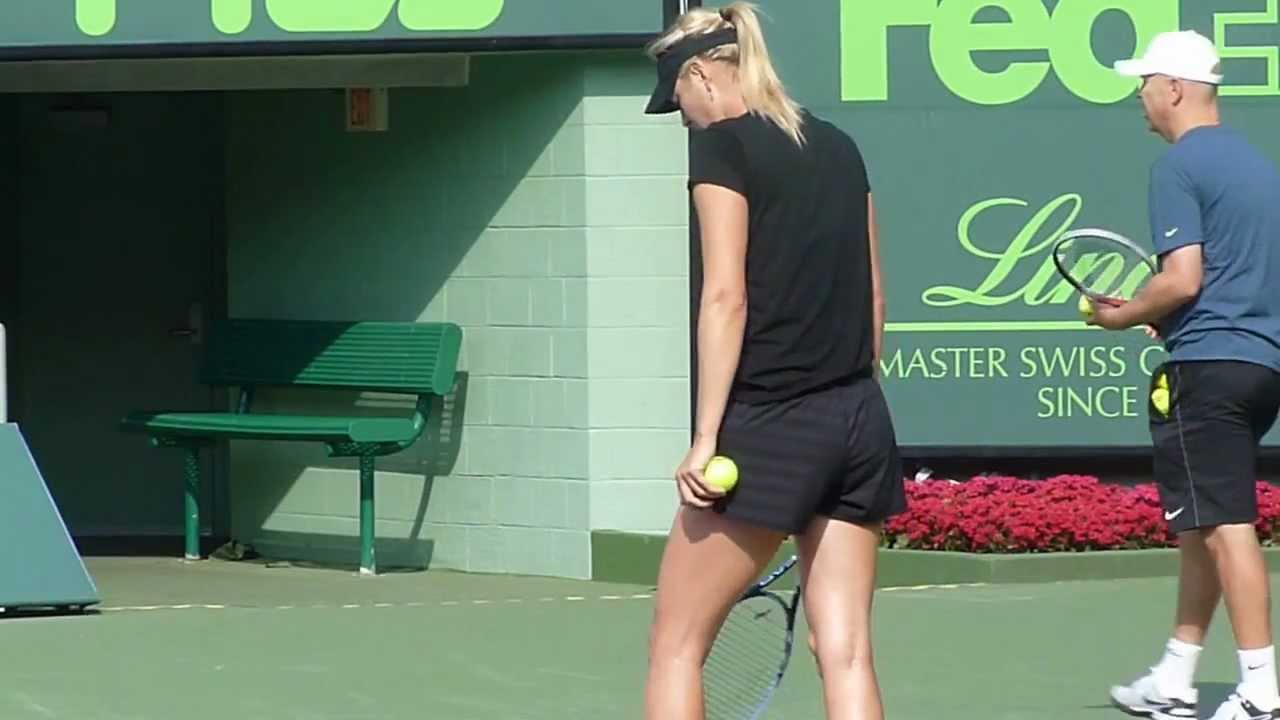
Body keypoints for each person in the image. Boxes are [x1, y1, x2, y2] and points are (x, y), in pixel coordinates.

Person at [639, 3, 907, 719]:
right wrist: (845, 407)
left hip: (769, 429)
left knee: (675, 645)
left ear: (700, 75)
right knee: (845, 649)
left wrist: (704, 442)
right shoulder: (842, 146)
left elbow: (725, 297)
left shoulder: (723, 147)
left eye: (679, 103)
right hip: (859, 421)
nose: (684, 118)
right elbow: (876, 300)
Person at [1090, 29, 1280, 720]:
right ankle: (1176, 675)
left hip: (1209, 371)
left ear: (1173, 88)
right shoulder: (1261, 169)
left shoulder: (1176, 167)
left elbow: (1183, 278)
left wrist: (1125, 313)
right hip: (1260, 367)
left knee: (1226, 525)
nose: (1139, 96)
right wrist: (1163, 315)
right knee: (1202, 522)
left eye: (1144, 83)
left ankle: (1260, 690)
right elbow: (1226, 280)